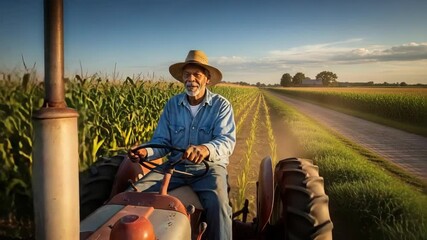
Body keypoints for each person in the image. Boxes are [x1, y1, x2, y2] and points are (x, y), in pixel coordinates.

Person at [128, 50, 236, 240]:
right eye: (187, 75)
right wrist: (145, 151)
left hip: (209, 168)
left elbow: (226, 141)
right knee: (132, 195)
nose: (191, 79)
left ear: (207, 79)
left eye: (197, 75)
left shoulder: (221, 105)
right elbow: (161, 142)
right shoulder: (172, 105)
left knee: (219, 204)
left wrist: (204, 149)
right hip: (174, 167)